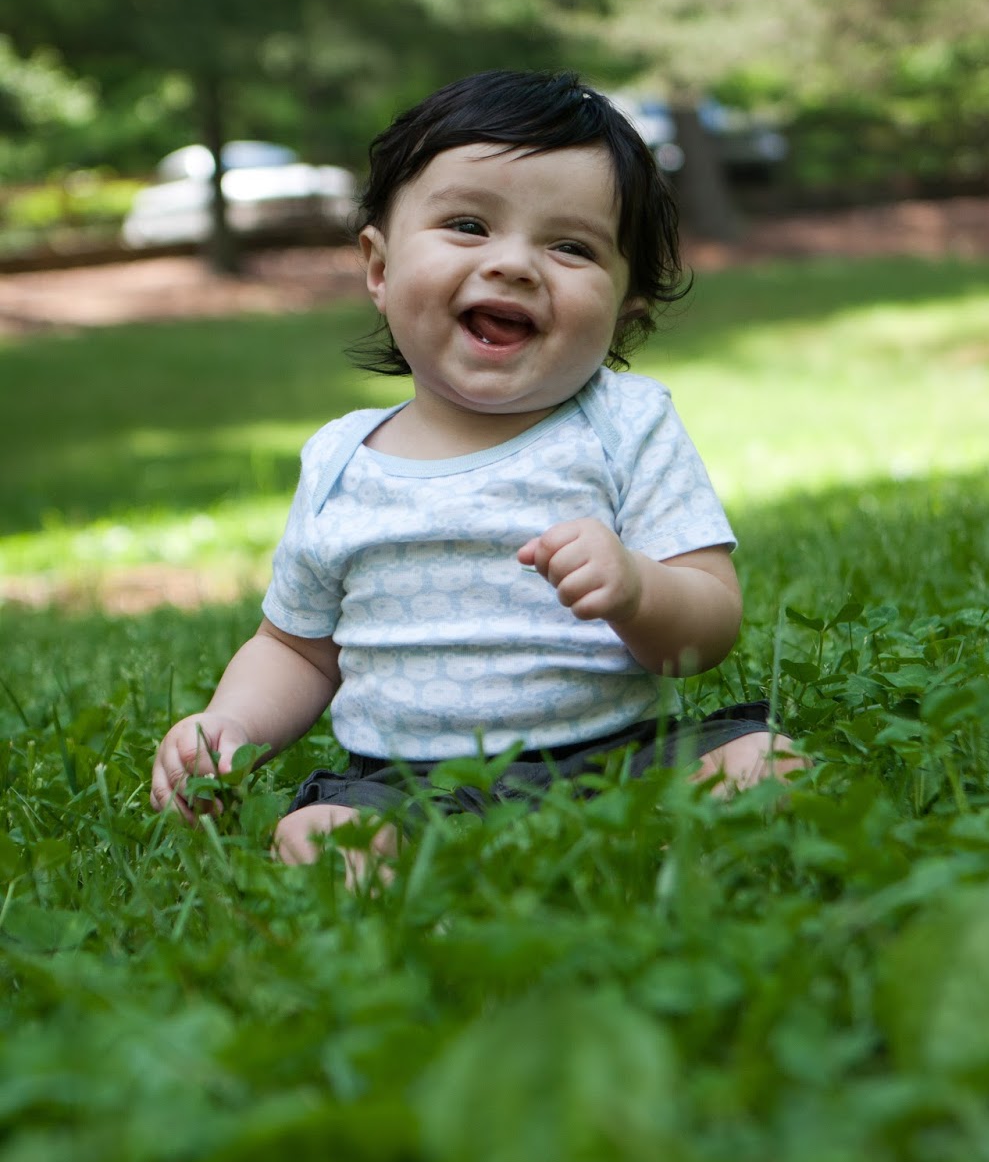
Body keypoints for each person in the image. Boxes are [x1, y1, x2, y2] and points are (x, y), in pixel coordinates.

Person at [151, 69, 805, 876]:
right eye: (468, 225)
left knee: (763, 762)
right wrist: (231, 727)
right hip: (406, 783)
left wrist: (638, 590)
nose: (515, 264)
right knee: (319, 838)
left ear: (625, 307)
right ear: (379, 267)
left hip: (620, 757)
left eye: (570, 247)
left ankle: (646, 855)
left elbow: (710, 620)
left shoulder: (625, 425)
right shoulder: (340, 462)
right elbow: (297, 648)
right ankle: (416, 888)